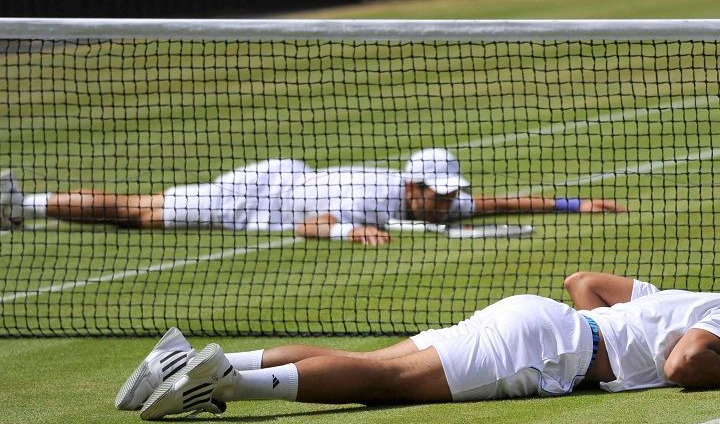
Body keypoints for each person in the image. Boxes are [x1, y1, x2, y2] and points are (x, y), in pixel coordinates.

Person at [117, 271, 720, 420]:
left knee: (373, 362)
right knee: (379, 381)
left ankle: (191, 360)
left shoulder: (691, 299)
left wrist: (609, 340)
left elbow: (586, 281)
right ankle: (225, 386)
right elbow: (686, 366)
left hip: (537, 319)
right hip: (545, 350)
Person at [0, 148, 623, 244]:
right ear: (413, 187)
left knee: (140, 217)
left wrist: (574, 205)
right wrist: (347, 232)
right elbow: (310, 225)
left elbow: (494, 205)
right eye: (440, 194)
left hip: (288, 182)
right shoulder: (368, 194)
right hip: (258, 195)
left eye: (448, 195)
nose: (449, 202)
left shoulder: (426, 200)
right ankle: (20, 205)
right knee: (142, 212)